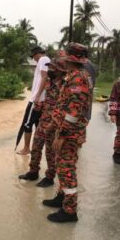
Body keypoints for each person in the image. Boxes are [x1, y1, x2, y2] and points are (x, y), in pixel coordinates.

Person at [42, 55, 90, 223]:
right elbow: (63, 107)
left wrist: (62, 135)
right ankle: (61, 198)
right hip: (64, 130)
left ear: (70, 61)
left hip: (69, 134)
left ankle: (70, 211)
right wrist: (54, 127)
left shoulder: (78, 79)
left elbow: (73, 113)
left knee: (66, 170)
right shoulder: (73, 76)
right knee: (63, 168)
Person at [18, 58, 66, 187]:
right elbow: (49, 102)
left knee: (50, 152)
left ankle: (49, 178)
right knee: (35, 147)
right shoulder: (48, 84)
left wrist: (55, 125)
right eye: (49, 68)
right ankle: (33, 172)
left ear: (61, 72)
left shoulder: (64, 87)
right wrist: (40, 105)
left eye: (53, 69)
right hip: (43, 121)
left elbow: (64, 108)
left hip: (54, 124)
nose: (50, 70)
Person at [17, 46, 50, 155]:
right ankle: (36, 151)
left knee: (27, 124)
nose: (34, 59)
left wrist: (37, 96)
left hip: (36, 100)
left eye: (33, 57)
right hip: (41, 100)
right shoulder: (46, 60)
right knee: (38, 125)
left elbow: (45, 78)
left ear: (37, 54)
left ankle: (26, 149)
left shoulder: (43, 59)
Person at [66, 42, 97, 120]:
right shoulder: (89, 64)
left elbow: (77, 93)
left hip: (76, 113)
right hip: (83, 111)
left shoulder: (82, 67)